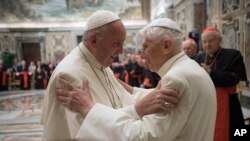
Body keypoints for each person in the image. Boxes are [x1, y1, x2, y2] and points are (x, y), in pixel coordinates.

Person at [56, 18, 217, 141]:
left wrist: (89, 109)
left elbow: (142, 136)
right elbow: (156, 96)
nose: (142, 55)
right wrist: (124, 86)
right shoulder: (191, 68)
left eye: (146, 46)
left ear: (166, 46)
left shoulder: (175, 79)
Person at [41, 10, 179, 141]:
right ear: (93, 40)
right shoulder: (69, 75)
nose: (121, 51)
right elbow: (89, 133)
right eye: (116, 44)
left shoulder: (101, 63)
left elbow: (124, 99)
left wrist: (157, 95)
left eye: (122, 44)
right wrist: (138, 110)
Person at [195, 26, 247, 141]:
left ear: (219, 40)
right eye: (204, 42)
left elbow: (234, 78)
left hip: (228, 102)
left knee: (235, 133)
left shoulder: (233, 55)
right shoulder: (199, 57)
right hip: (204, 104)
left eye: (211, 41)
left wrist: (211, 73)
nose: (207, 45)